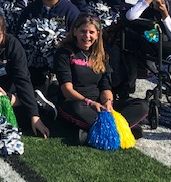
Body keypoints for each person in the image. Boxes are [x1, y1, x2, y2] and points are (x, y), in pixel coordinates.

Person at [53, 14, 148, 144]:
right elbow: (66, 90)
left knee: (142, 105)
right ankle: (121, 130)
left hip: (99, 105)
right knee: (77, 108)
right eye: (83, 31)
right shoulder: (64, 53)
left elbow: (105, 87)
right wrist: (90, 103)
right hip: (77, 103)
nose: (87, 36)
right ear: (75, 31)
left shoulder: (100, 55)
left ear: (97, 35)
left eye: (91, 32)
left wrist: (108, 103)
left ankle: (92, 134)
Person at [16, 0, 80, 111]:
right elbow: (19, 35)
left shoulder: (70, 11)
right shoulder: (32, 9)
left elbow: (77, 40)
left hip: (61, 64)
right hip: (35, 64)